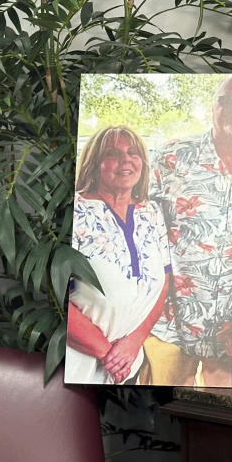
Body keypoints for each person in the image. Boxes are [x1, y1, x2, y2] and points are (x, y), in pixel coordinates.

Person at [144, 76, 232, 386]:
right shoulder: (171, 157)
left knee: (221, 423)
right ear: (213, 106)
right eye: (227, 100)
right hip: (171, 327)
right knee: (160, 415)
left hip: (231, 333)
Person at [68, 125, 171, 384]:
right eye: (113, 153)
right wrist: (107, 353)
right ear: (94, 163)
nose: (126, 160)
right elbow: (53, 298)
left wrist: (135, 341)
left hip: (129, 365)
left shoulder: (152, 213)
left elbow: (164, 281)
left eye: (133, 152)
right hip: (77, 369)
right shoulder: (73, 212)